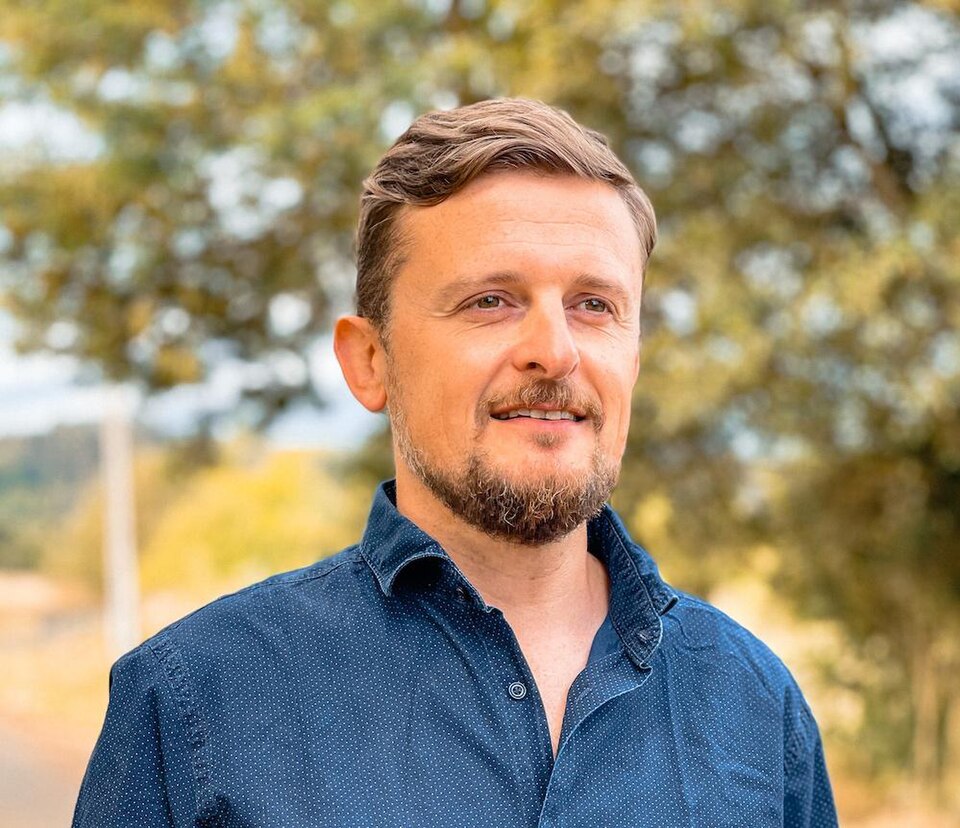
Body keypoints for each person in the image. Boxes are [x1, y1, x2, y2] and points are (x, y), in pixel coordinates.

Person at [73, 98, 838, 828]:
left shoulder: (757, 710)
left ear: (633, 359)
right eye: (491, 301)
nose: (555, 351)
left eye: (594, 305)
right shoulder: (196, 707)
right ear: (370, 361)